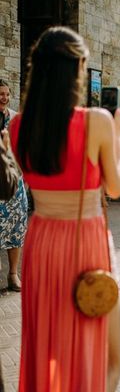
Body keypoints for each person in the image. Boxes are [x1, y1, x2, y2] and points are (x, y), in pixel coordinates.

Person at [10, 26, 120, 391]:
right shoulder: (97, 122)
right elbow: (116, 186)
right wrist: (118, 136)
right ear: (76, 69)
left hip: (42, 242)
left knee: (47, 344)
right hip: (84, 240)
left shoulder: (16, 126)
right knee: (106, 349)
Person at [0, 80, 27, 292]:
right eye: (1, 94)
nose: (5, 97)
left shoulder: (16, 119)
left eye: (7, 94)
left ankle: (12, 275)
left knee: (16, 228)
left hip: (15, 183)